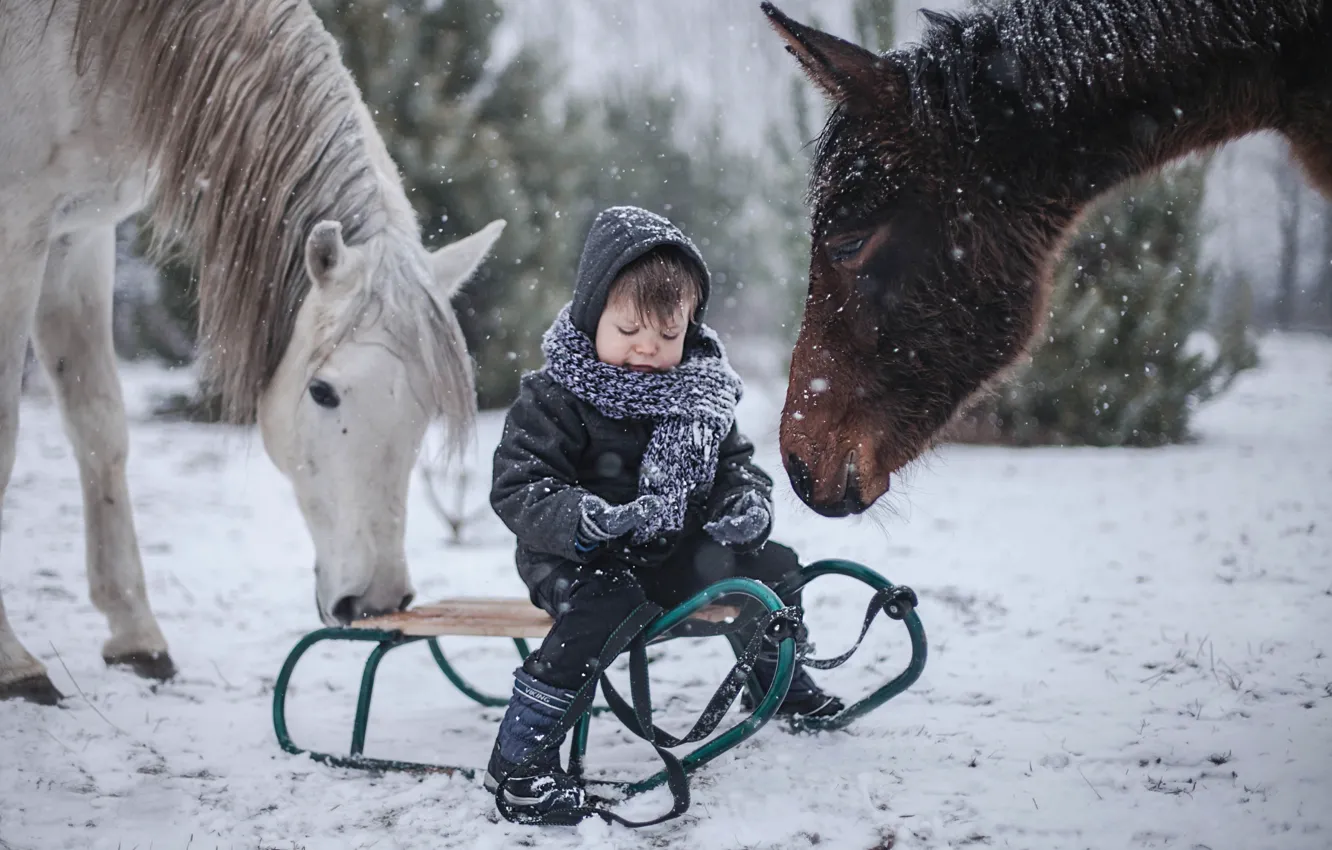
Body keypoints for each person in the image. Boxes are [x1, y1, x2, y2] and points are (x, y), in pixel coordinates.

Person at [486, 205, 843, 823]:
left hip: (673, 549)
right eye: (628, 332)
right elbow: (519, 486)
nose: (647, 350)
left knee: (774, 567)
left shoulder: (701, 397)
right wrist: (583, 516)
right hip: (577, 557)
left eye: (667, 337)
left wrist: (744, 505)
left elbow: (736, 467)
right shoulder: (554, 396)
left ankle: (777, 681)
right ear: (592, 313)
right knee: (604, 602)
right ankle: (521, 765)